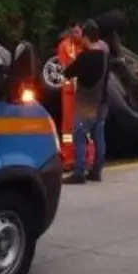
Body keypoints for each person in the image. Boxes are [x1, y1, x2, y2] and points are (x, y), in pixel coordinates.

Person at [63, 19, 110, 184]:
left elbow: (68, 73)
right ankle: (97, 170)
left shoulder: (84, 57)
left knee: (79, 135)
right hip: (102, 102)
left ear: (87, 38)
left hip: (86, 104)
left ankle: (79, 172)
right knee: (99, 136)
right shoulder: (105, 56)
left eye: (82, 36)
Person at [56, 25, 86, 170]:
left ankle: (86, 157)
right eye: (74, 32)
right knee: (68, 127)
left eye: (79, 32)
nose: (77, 34)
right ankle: (68, 157)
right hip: (69, 91)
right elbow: (64, 67)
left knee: (85, 125)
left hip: (84, 90)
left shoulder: (87, 45)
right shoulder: (64, 46)